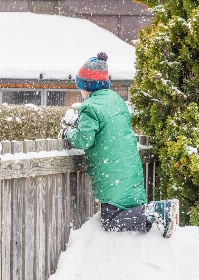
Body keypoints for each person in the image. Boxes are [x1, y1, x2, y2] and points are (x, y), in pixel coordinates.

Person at [61, 52, 179, 238]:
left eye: (80, 87)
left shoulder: (89, 106)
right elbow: (107, 127)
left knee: (110, 221)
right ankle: (153, 213)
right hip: (128, 171)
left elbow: (85, 139)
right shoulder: (117, 101)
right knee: (131, 213)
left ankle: (157, 210)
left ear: (87, 87)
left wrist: (68, 132)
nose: (81, 92)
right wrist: (80, 123)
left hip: (111, 175)